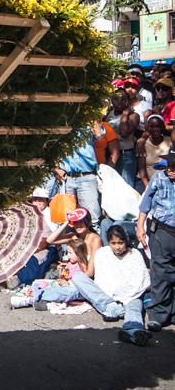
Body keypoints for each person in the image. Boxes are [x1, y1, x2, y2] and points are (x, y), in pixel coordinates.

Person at [71, 225, 151, 342]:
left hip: (132, 294)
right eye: (113, 243)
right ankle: (111, 306)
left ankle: (133, 332)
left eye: (120, 243)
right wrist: (112, 298)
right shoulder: (103, 253)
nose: (117, 247)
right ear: (109, 243)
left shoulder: (135, 254)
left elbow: (139, 280)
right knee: (78, 277)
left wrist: (124, 294)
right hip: (107, 296)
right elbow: (102, 279)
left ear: (126, 241)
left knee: (134, 308)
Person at [136, 149, 175, 331]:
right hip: (161, 231)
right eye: (169, 165)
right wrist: (140, 227)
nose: (171, 170)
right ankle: (158, 315)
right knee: (160, 272)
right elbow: (145, 205)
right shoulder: (158, 179)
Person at [10, 238, 87, 309]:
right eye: (68, 253)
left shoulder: (82, 266)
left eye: (71, 253)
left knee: (60, 292)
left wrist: (68, 282)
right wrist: (60, 271)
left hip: (70, 288)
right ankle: (36, 295)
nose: (68, 255)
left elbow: (80, 282)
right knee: (37, 282)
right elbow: (63, 277)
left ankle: (30, 300)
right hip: (61, 284)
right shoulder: (69, 263)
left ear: (79, 253)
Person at [55, 129, 103, 229]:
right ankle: (71, 244)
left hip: (86, 177)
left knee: (92, 220)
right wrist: (56, 168)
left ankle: (93, 243)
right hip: (67, 178)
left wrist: (94, 116)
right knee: (66, 220)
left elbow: (99, 133)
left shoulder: (87, 124)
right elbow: (50, 148)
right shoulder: (60, 124)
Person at [104, 90, 140, 187]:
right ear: (111, 100)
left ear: (128, 101)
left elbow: (124, 133)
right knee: (111, 186)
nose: (119, 101)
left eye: (123, 99)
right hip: (110, 154)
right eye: (116, 98)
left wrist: (124, 115)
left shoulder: (134, 116)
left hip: (126, 155)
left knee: (126, 186)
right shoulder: (108, 114)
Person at [137, 114, 171, 187]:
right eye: (151, 126)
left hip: (167, 181)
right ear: (147, 128)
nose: (155, 129)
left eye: (157, 126)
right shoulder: (142, 144)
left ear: (163, 127)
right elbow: (142, 169)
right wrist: (148, 188)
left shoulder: (170, 142)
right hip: (147, 181)